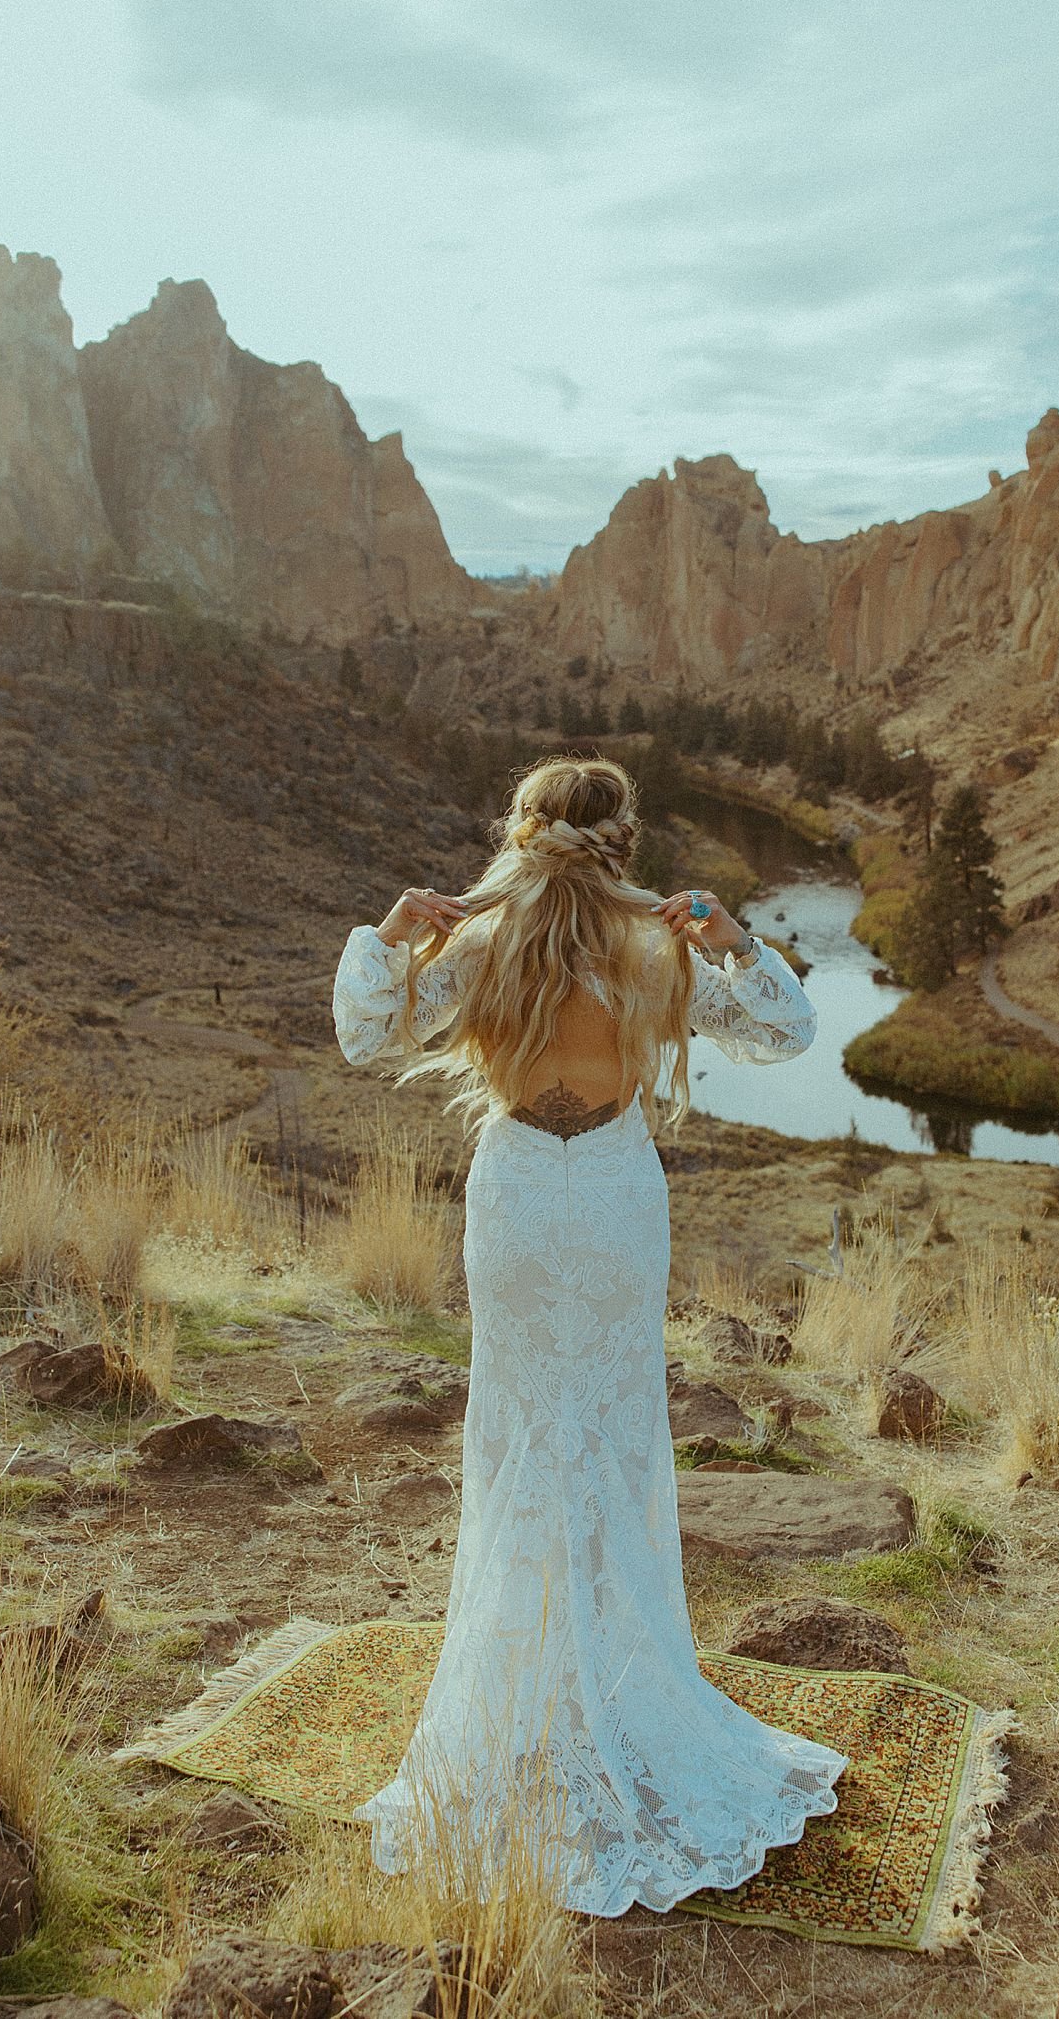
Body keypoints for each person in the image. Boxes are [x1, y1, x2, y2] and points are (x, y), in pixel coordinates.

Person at [331, 753, 846, 1917]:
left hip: (516, 1198)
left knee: (518, 1433)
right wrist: (733, 940)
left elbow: (365, 1033)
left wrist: (387, 925)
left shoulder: (473, 946)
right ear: (625, 840)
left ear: (521, 833)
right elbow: (788, 1035)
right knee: (612, 1436)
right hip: (613, 1199)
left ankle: (515, 1697)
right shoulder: (659, 948)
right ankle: (615, 1687)